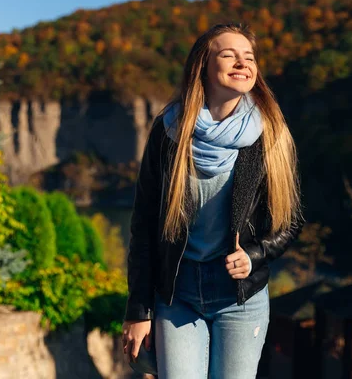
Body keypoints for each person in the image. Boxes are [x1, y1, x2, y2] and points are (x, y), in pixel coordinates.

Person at [121, 22, 304, 379]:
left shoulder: (271, 133)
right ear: (202, 66)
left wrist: (253, 256)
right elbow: (143, 225)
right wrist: (137, 310)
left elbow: (290, 221)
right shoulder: (169, 130)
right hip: (178, 294)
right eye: (229, 55)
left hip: (239, 298)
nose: (242, 63)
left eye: (249, 57)